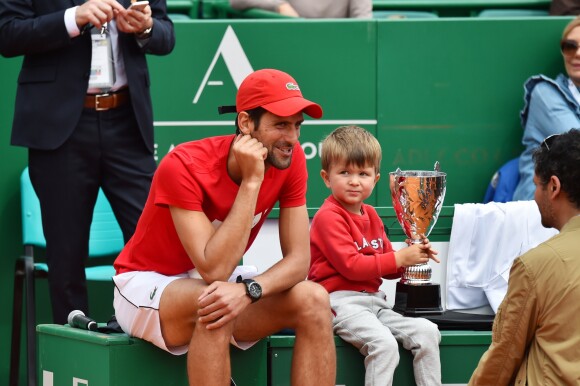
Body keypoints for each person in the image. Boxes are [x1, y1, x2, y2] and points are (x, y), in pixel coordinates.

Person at [112, 68, 336, 385]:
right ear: (246, 123)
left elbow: (299, 261)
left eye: (297, 126)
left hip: (216, 284)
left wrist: (249, 290)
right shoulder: (183, 164)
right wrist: (251, 182)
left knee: (313, 299)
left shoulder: (292, 159)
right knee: (214, 301)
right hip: (146, 282)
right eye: (281, 125)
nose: (293, 138)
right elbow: (214, 270)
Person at [0, 0, 175, 324]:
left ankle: (148, 341)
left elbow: (166, 34)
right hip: (60, 125)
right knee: (65, 255)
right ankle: (73, 359)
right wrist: (72, 18)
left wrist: (145, 27)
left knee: (154, 238)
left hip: (127, 120)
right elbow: (8, 33)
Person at [308, 125, 442, 386]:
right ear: (326, 177)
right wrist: (399, 258)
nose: (354, 180)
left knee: (428, 332)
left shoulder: (371, 214)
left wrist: (412, 256)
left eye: (363, 173)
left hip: (376, 304)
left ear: (376, 179)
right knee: (384, 346)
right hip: (340, 305)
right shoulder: (328, 216)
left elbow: (387, 268)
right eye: (344, 172)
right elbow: (352, 267)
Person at [468, 129, 580, 385]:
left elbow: (503, 357)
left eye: (536, 185)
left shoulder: (535, 266)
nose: (534, 196)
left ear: (553, 187)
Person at [512, 16, 580, 201]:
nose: (577, 53)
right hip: (539, 211)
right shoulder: (545, 93)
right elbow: (576, 147)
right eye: (570, 46)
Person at [229, 0, 372, 18]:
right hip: (290, 47)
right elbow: (237, 1)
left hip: (340, 48)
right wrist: (278, 5)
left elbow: (363, 21)